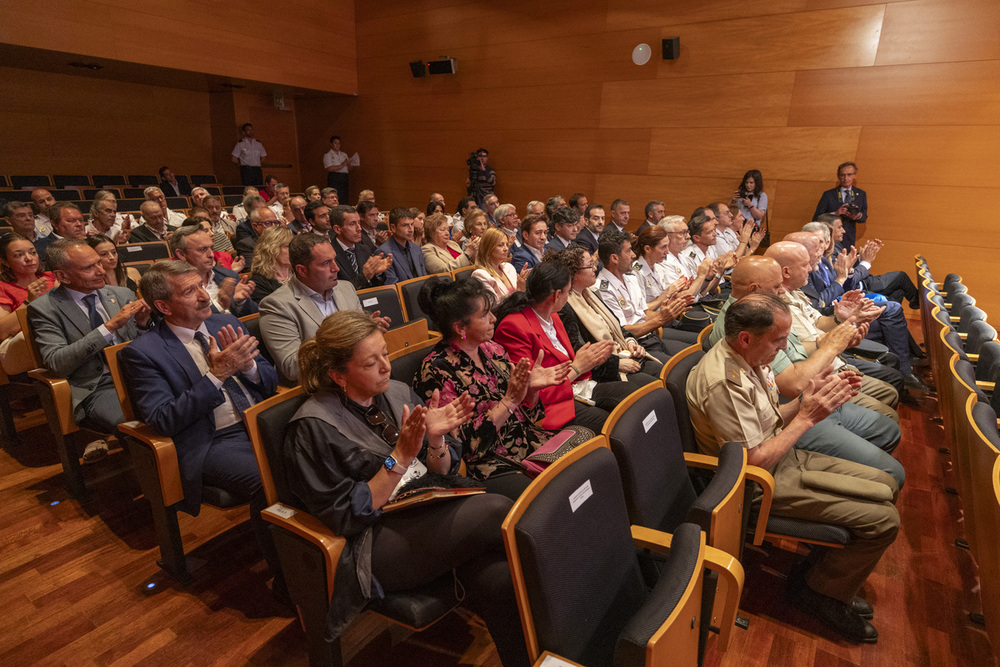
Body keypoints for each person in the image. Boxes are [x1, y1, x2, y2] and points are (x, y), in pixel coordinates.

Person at [284, 310, 529, 666]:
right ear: (338, 375)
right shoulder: (312, 427)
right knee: (496, 508)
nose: (386, 366)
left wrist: (435, 441)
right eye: (371, 362)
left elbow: (440, 469)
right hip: (374, 541)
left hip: (423, 507)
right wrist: (399, 457)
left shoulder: (395, 391)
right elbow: (346, 516)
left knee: (499, 577)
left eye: (385, 354)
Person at [687, 294, 899, 644]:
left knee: (885, 483)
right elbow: (748, 461)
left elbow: (769, 421)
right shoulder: (724, 380)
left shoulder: (752, 357)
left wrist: (809, 401)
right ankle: (822, 594)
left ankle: (819, 576)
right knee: (884, 520)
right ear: (746, 337)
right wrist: (806, 418)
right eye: (780, 340)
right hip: (753, 487)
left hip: (777, 457)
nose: (786, 347)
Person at [119, 260, 284, 599]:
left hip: (257, 421)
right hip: (211, 440)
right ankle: (290, 582)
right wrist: (217, 375)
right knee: (273, 476)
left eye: (201, 286)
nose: (203, 296)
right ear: (163, 306)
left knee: (320, 449)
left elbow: (269, 382)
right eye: (189, 291)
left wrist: (249, 365)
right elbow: (163, 419)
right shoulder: (142, 353)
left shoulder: (225, 321)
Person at [415, 277, 571, 499]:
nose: (494, 319)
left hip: (528, 442)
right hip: (489, 464)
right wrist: (508, 402)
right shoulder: (435, 371)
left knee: (585, 460)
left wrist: (531, 390)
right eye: (484, 315)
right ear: (460, 327)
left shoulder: (493, 350)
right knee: (552, 494)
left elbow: (529, 416)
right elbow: (463, 447)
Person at [27, 239, 150, 459]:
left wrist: (142, 324)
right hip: (97, 387)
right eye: (89, 268)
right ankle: (161, 486)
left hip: (139, 374)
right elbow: (56, 363)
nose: (101, 271)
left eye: (99, 263)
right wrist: (109, 327)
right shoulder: (45, 309)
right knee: (143, 420)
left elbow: (143, 344)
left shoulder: (121, 294)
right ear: (63, 276)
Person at [493, 260, 640, 434]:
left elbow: (572, 363)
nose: (568, 297)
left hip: (577, 387)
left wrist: (590, 361)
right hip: (552, 405)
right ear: (555, 296)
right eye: (568, 291)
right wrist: (578, 368)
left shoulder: (553, 315)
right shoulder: (513, 327)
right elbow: (529, 394)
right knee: (615, 425)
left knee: (637, 398)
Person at [259, 234, 389, 384]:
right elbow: (293, 367)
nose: (336, 268)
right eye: (326, 263)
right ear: (302, 271)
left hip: (361, 376)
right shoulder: (276, 305)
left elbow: (360, 340)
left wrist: (368, 330)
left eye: (334, 259)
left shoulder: (346, 288)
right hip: (320, 388)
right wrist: (350, 337)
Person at [556, 247, 667, 378]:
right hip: (606, 368)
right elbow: (582, 351)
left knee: (667, 371)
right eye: (589, 265)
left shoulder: (589, 293)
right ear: (574, 273)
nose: (595, 269)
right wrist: (616, 364)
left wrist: (631, 342)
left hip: (624, 351)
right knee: (659, 382)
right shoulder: (566, 307)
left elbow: (617, 326)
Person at [594, 229, 695, 354]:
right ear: (614, 258)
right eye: (628, 251)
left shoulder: (630, 278)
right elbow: (622, 331)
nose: (634, 255)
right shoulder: (602, 289)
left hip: (650, 335)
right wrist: (661, 319)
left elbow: (643, 314)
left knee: (697, 351)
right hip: (634, 345)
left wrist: (670, 311)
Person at [169, 225, 257, 318]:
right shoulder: (174, 287)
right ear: (181, 254)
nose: (211, 254)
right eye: (203, 249)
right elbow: (188, 323)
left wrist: (241, 302)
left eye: (211, 248)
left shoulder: (229, 275)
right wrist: (219, 305)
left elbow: (254, 317)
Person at [0, 233, 56, 375]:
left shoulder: (52, 277)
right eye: (19, 255)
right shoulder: (3, 287)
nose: (29, 259)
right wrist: (29, 302)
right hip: (21, 346)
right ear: (5, 262)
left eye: (32, 252)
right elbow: (3, 331)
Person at [330, 204, 392, 290]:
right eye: (352, 224)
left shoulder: (364, 249)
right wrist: (365, 276)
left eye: (359, 223)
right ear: (338, 229)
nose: (359, 228)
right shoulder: (329, 255)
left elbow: (376, 286)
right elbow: (339, 291)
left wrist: (377, 273)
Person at [814, 162, 867, 247]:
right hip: (830, 239)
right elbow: (817, 218)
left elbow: (864, 217)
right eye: (843, 175)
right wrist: (835, 214)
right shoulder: (829, 194)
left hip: (849, 238)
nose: (846, 178)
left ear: (854, 175)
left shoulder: (861, 194)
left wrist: (857, 216)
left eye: (849, 174)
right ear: (838, 176)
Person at [471, 228, 524, 301]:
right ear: (488, 248)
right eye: (500, 245)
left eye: (507, 244)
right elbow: (493, 306)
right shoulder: (480, 275)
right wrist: (519, 291)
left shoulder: (509, 267)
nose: (506, 248)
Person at [378, 207, 427, 284]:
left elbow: (424, 278)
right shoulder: (384, 252)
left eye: (412, 224)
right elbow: (392, 285)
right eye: (405, 225)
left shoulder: (416, 249)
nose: (411, 229)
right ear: (393, 228)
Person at [247, 226, 293, 304]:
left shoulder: (299, 272)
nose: (293, 249)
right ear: (272, 249)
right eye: (287, 246)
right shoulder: (258, 283)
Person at [234, 207, 280, 271]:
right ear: (255, 226)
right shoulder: (246, 245)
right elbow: (252, 270)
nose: (274, 226)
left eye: (275, 222)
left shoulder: (283, 241)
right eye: (268, 223)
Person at [323, 135, 354, 203]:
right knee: (335, 196)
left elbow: (350, 168)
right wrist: (342, 165)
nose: (337, 145)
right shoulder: (327, 155)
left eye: (339, 143)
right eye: (335, 143)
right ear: (331, 144)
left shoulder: (344, 154)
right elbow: (329, 168)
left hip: (344, 177)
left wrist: (349, 164)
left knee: (344, 196)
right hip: (334, 177)